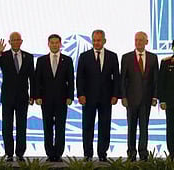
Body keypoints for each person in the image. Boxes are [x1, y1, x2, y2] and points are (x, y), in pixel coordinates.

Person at [76, 29, 121, 162]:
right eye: (94, 40)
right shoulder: (84, 56)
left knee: (105, 126)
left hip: (106, 98)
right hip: (88, 98)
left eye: (99, 40)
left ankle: (102, 153)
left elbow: (116, 78)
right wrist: (81, 94)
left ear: (104, 41)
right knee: (87, 126)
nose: (96, 42)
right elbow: (80, 78)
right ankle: (88, 154)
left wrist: (115, 95)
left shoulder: (112, 56)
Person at [0, 32, 34, 162]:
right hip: (8, 97)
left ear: (21, 41)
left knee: (22, 126)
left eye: (17, 40)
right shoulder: (3, 56)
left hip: (22, 98)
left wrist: (33, 95)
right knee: (7, 126)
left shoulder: (28, 57)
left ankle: (20, 153)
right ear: (9, 42)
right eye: (13, 40)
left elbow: (32, 77)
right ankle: (9, 153)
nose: (15, 42)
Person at [33, 34, 74, 162]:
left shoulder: (67, 60)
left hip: (62, 99)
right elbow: (37, 80)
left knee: (61, 127)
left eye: (57, 42)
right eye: (52, 42)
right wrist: (37, 96)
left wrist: (70, 96)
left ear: (60, 44)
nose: (55, 45)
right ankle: (50, 154)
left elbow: (71, 80)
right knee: (48, 126)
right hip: (45, 100)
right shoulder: (41, 61)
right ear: (48, 44)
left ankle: (59, 153)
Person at [120, 31, 159, 161]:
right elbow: (123, 79)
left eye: (141, 40)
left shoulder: (153, 58)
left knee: (144, 127)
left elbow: (155, 80)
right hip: (131, 100)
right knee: (131, 127)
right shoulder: (126, 57)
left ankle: (143, 153)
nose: (138, 42)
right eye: (136, 40)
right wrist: (123, 97)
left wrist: (155, 97)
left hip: (146, 99)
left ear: (146, 42)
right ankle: (131, 153)